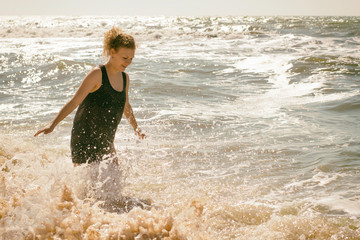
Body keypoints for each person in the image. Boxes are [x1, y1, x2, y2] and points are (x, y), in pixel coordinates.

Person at [35, 26, 145, 165]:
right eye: (124, 57)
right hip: (84, 138)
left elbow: (126, 105)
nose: (128, 62)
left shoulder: (125, 78)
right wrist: (53, 124)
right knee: (86, 185)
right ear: (112, 52)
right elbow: (75, 101)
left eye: (131, 58)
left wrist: (136, 127)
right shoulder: (97, 74)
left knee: (114, 183)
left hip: (106, 139)